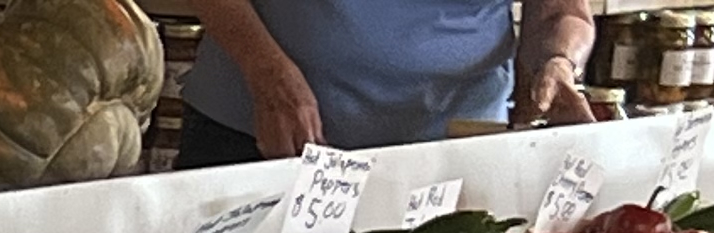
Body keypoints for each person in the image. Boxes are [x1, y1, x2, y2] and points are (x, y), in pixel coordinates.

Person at [175, 0, 597, 160]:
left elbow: (562, 12)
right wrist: (266, 70)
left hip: (452, 153)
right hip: (264, 136)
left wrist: (559, 64)